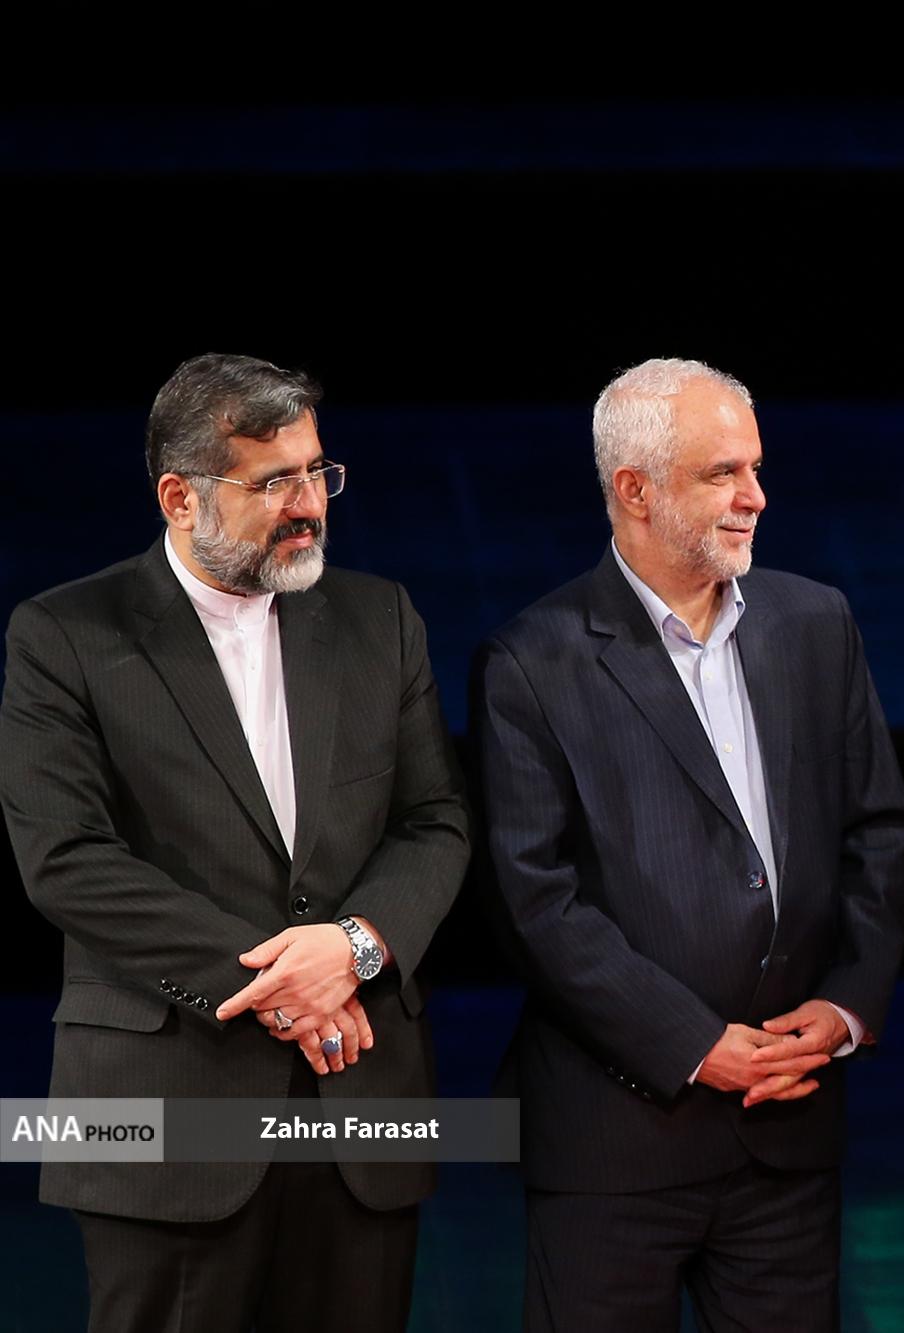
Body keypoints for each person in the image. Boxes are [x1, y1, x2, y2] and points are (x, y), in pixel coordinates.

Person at [0, 353, 469, 1332]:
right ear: (180, 497)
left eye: (318, 472)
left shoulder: (382, 618)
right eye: (275, 482)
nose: (311, 505)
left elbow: (435, 821)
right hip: (161, 1117)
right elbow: (66, 859)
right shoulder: (63, 634)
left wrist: (353, 946)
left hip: (360, 1105)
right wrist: (284, 983)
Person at [475, 357, 904, 1331]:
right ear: (635, 490)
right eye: (723, 473)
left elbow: (880, 833)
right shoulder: (532, 660)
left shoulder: (816, 622)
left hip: (789, 1128)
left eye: (755, 468)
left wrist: (845, 1005)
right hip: (613, 1146)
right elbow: (535, 901)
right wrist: (694, 1044)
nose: (755, 496)